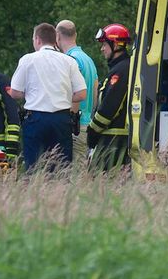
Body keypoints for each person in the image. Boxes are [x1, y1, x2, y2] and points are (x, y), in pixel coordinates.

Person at [9, 23, 87, 171]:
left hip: (36, 120)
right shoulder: (68, 61)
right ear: (54, 40)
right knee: (61, 169)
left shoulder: (27, 59)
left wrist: (31, 94)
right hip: (61, 120)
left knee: (34, 168)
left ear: (37, 39)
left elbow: (14, 92)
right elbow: (81, 94)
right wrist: (61, 96)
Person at [87, 23, 132, 171]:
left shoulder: (121, 70)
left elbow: (110, 106)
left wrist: (92, 131)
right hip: (113, 139)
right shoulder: (119, 68)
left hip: (114, 141)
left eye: (105, 44)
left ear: (116, 45)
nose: (102, 49)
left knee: (99, 184)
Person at [56, 20, 99, 160]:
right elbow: (95, 92)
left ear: (57, 36)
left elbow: (74, 92)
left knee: (70, 173)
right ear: (76, 34)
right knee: (80, 171)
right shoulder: (88, 59)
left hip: (75, 126)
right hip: (87, 123)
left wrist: (70, 123)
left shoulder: (70, 60)